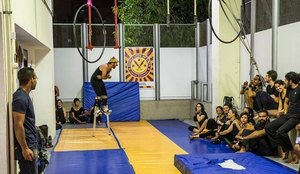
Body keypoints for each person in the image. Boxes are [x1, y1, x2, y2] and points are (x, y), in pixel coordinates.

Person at [265, 71, 300, 160]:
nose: (285, 81)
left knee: (280, 131)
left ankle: (292, 151)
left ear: (291, 80)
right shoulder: (289, 89)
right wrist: (284, 112)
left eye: (286, 80)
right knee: (269, 127)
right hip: (288, 115)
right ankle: (285, 149)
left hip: (296, 116)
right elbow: (287, 102)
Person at [12, 67, 38, 174]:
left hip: (31, 142)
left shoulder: (25, 96)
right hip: (28, 146)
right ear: (31, 79)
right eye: (35, 78)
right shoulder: (20, 98)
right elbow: (18, 125)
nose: (36, 80)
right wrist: (25, 148)